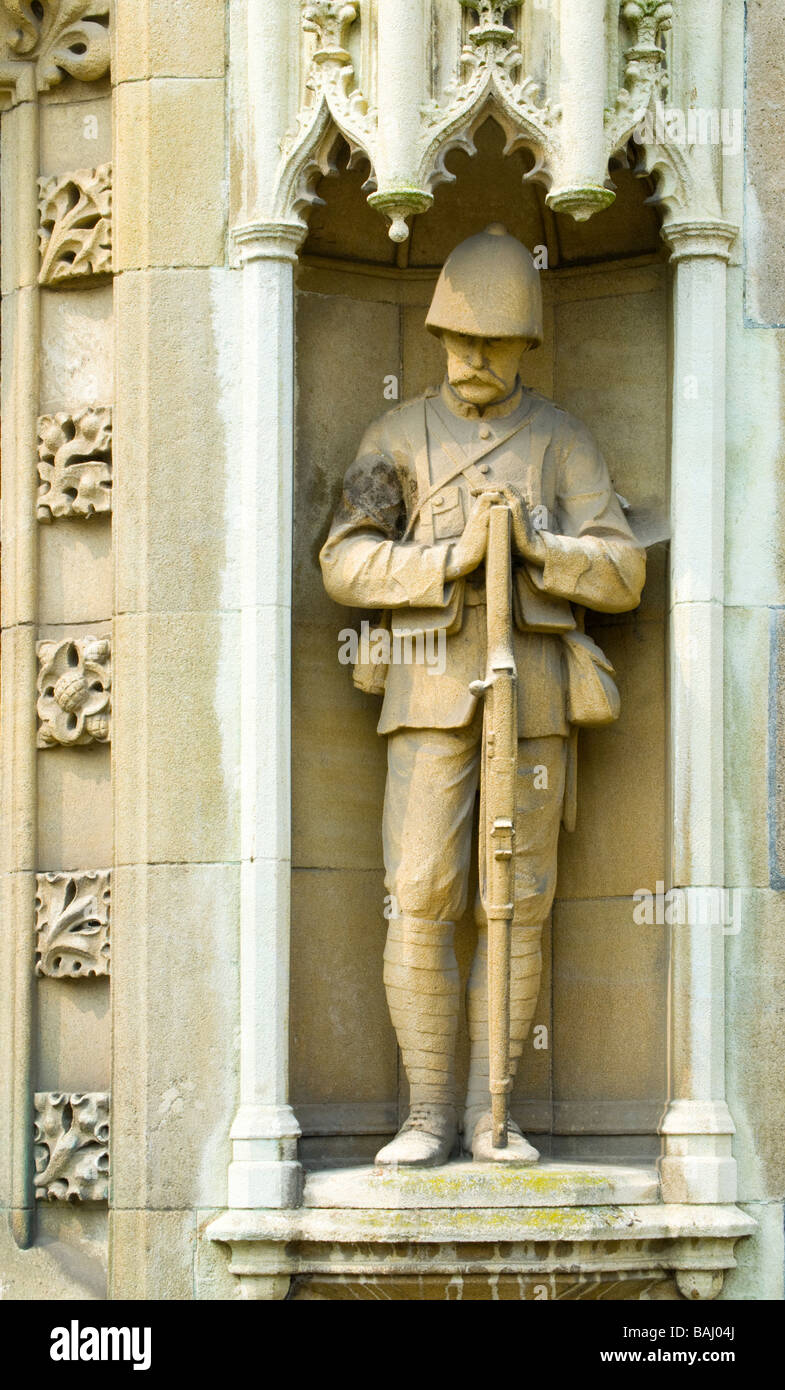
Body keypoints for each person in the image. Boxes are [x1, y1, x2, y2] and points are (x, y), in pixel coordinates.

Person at [320, 225, 646, 1165]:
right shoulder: (397, 434)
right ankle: (425, 1115)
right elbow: (343, 561)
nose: (470, 359)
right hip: (425, 690)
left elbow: (622, 571)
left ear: (523, 346)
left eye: (490, 343)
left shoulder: (560, 439)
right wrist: (443, 562)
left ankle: (489, 1116)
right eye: (457, 340)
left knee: (519, 900)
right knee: (420, 894)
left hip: (534, 695)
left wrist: (542, 551)